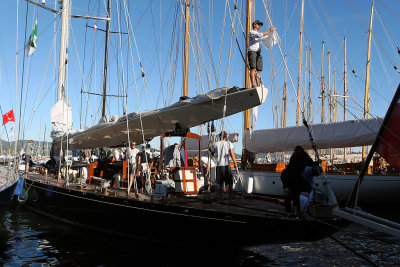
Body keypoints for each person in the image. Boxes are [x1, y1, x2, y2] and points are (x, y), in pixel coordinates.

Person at [281, 146, 319, 214]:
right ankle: (296, 212)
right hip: (294, 178)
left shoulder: (293, 156)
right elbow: (310, 163)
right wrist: (318, 162)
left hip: (286, 176)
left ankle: (288, 211)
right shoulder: (303, 154)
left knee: (289, 194)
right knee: (296, 194)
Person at [248, 20, 277, 87]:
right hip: (252, 52)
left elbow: (265, 37)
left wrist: (272, 33)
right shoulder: (252, 32)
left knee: (258, 70)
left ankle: (258, 84)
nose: (260, 26)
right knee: (253, 68)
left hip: (258, 53)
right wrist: (270, 30)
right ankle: (253, 84)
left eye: (260, 25)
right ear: (254, 24)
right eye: (258, 24)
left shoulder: (259, 35)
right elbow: (260, 35)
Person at [211, 131, 238, 201]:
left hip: (219, 165)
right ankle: (230, 196)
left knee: (220, 183)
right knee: (230, 183)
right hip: (226, 165)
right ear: (226, 137)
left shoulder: (215, 144)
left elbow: (212, 153)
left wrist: (211, 151)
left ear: (220, 136)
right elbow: (232, 153)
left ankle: (220, 197)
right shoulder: (229, 143)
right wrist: (235, 163)